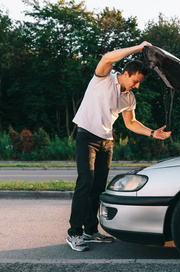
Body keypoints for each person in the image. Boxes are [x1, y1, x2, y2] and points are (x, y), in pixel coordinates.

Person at [66, 41, 172, 251]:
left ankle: (90, 231)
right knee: (85, 182)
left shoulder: (129, 98)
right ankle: (74, 233)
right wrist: (138, 48)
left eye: (139, 83)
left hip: (106, 142)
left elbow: (130, 123)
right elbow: (106, 58)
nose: (137, 86)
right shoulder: (103, 79)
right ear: (126, 73)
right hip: (86, 136)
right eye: (135, 81)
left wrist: (152, 132)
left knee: (97, 187)